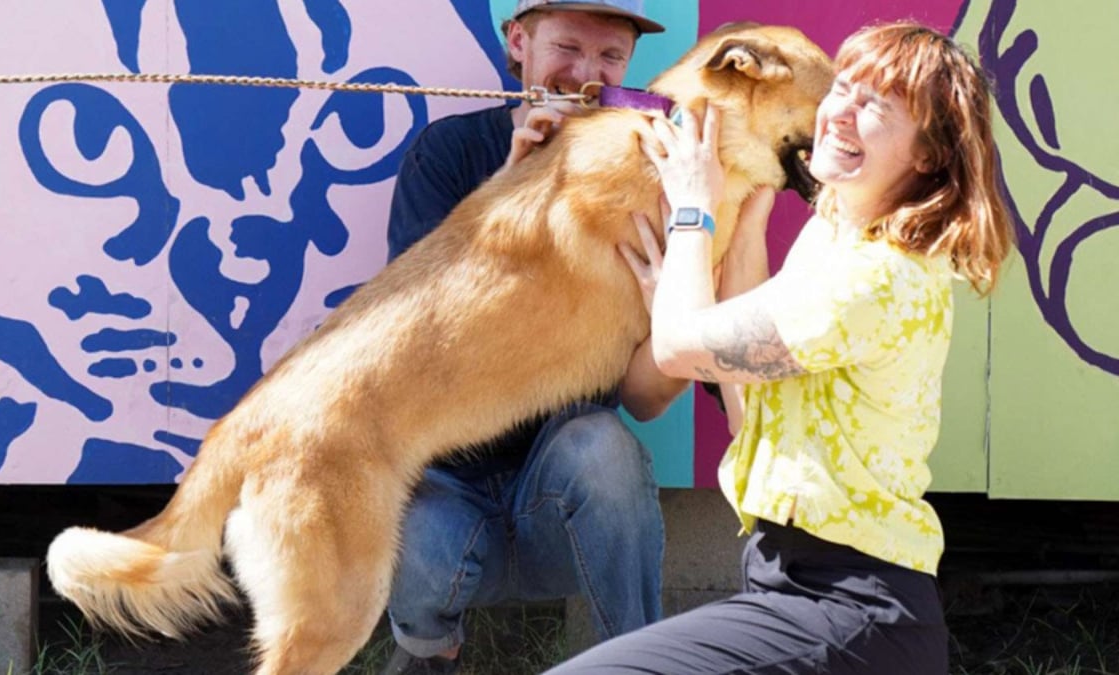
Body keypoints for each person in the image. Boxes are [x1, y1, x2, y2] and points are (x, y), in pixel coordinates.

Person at [546, 21, 1015, 674]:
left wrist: (693, 212)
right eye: (842, 89)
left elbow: (680, 347)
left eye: (875, 106)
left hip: (850, 607)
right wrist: (747, 212)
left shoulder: (877, 275)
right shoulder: (835, 241)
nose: (840, 114)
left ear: (930, 154)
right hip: (794, 583)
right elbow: (751, 416)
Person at [381, 2, 686, 673]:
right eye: (567, 46)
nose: (585, 74)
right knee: (401, 513)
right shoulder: (451, 154)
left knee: (604, 446)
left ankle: (638, 661)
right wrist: (510, 190)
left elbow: (645, 400)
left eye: (609, 57)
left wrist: (674, 321)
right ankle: (427, 651)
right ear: (518, 41)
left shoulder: (645, 182)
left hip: (565, 498)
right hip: (450, 491)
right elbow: (417, 347)